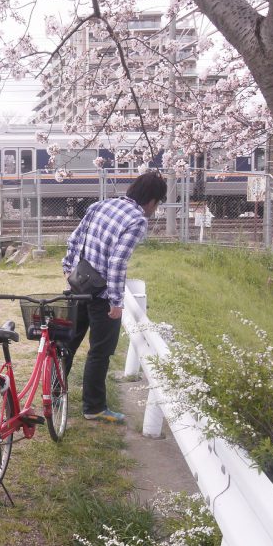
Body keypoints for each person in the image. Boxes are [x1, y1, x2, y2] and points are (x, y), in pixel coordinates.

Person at [61, 170, 167, 424]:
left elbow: (74, 239)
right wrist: (116, 302)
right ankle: (94, 407)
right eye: (158, 202)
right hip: (102, 295)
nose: (155, 208)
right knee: (100, 351)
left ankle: (53, 394)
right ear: (152, 200)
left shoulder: (101, 205)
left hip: (79, 284)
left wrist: (68, 268)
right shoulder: (137, 220)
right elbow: (117, 262)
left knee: (67, 344)